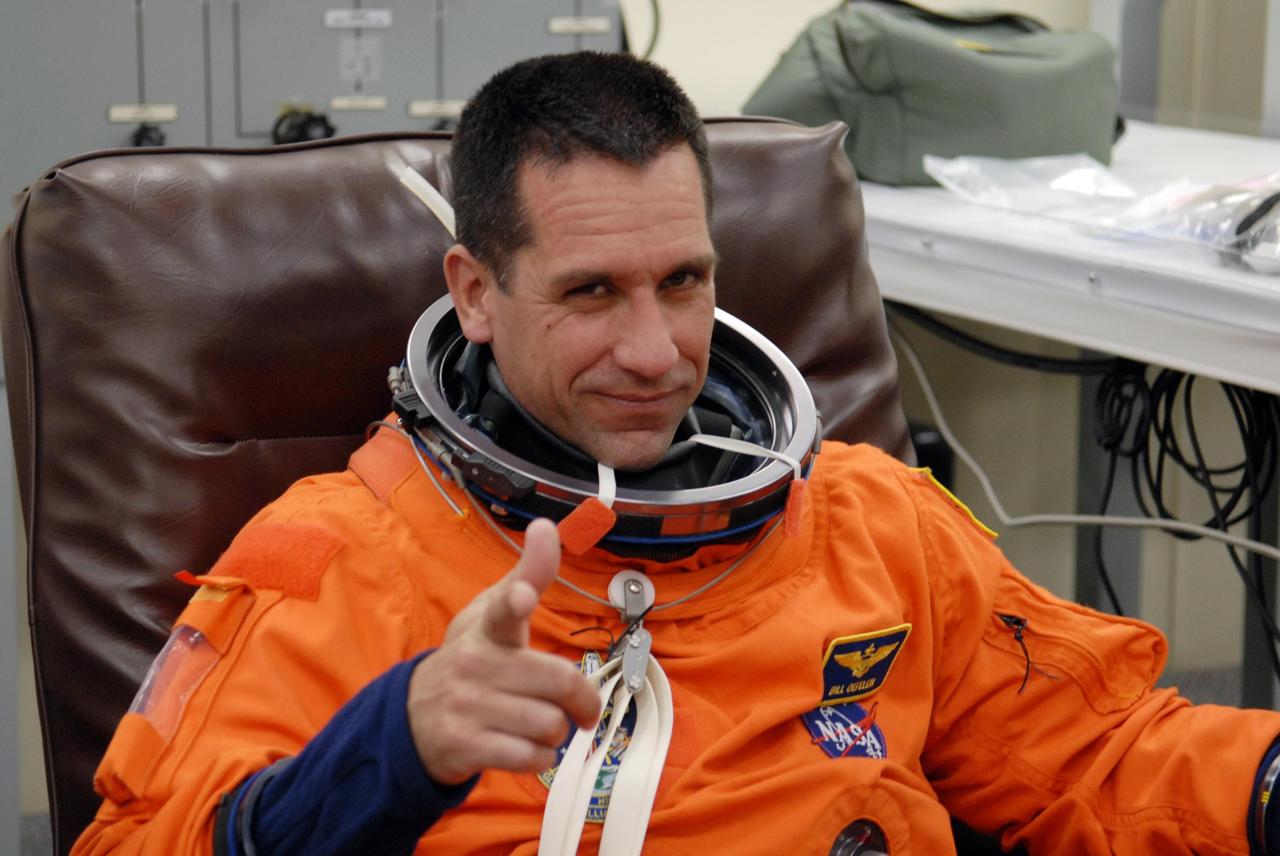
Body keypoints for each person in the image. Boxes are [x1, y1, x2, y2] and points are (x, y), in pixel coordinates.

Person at [74, 51, 1280, 856]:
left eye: (683, 281)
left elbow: (1106, 753)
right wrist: (393, 745)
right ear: (476, 292)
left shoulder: (871, 523)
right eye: (590, 292)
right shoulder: (330, 557)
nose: (653, 351)